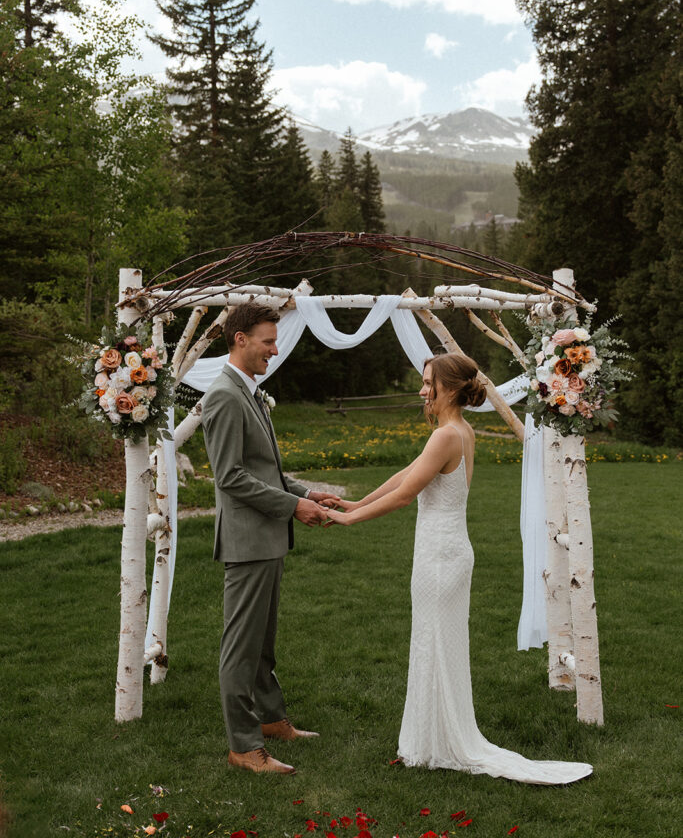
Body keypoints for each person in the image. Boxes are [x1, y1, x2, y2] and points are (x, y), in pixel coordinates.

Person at [325, 353, 593, 785]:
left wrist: (347, 520)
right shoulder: (459, 432)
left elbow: (403, 495)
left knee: (434, 643)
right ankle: (431, 739)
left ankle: (437, 741)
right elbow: (405, 474)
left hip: (440, 557)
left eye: (427, 382)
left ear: (449, 387)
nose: (421, 390)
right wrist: (355, 502)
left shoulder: (447, 436)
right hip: (447, 553)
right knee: (434, 643)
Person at [202, 304, 331, 776]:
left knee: (263, 643)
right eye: (267, 341)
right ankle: (243, 745)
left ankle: (273, 720)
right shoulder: (223, 396)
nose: (275, 351)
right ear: (239, 339)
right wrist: (294, 507)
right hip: (247, 540)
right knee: (241, 647)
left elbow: (264, 467)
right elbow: (230, 477)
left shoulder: (251, 393)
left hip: (269, 537)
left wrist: (305, 491)